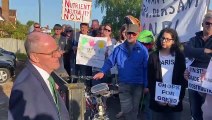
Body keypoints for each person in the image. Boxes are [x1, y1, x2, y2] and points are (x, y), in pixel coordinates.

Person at [8, 32, 70, 120]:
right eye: (52, 53)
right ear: (34, 57)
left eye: (57, 49)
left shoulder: (46, 75)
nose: (59, 55)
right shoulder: (24, 88)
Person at [93, 24, 148, 120]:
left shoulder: (143, 50)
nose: (131, 36)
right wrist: (102, 71)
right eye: (129, 33)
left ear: (137, 34)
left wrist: (146, 85)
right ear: (125, 34)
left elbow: (146, 68)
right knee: (127, 110)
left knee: (134, 110)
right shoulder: (119, 49)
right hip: (124, 84)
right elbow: (110, 61)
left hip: (138, 85)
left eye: (133, 34)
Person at [148, 28, 187, 120]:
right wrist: (156, 98)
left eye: (167, 39)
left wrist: (178, 98)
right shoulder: (153, 56)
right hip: (157, 102)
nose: (164, 41)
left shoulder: (179, 56)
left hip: (175, 102)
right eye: (162, 38)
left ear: (173, 41)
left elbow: (183, 79)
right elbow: (150, 79)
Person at [184, 13, 212, 120]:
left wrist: (195, 53)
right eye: (207, 23)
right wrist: (205, 51)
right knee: (195, 112)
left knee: (208, 114)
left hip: (209, 82)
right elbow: (186, 51)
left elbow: (192, 52)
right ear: (202, 24)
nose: (210, 26)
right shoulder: (193, 39)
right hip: (193, 80)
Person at [137, 30, 155, 120]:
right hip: (138, 83)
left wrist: (147, 86)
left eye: (146, 44)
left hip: (149, 85)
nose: (143, 46)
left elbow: (152, 72)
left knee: (149, 108)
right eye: (141, 43)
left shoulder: (154, 55)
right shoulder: (138, 52)